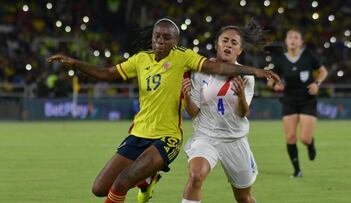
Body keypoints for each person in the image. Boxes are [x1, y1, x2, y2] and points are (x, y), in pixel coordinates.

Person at [47, 18, 279, 203]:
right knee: (99, 189)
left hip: (168, 137)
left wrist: (256, 72)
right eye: (157, 36)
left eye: (167, 37)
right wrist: (75, 63)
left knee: (122, 182)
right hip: (141, 133)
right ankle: (147, 181)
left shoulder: (184, 58)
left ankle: (144, 178)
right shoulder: (140, 60)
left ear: (175, 41)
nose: (160, 41)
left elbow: (217, 67)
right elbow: (108, 74)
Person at [180, 20, 263, 203]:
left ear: (240, 50)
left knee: (244, 197)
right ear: (217, 44)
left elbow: (242, 113)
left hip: (234, 139)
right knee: (195, 177)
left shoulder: (246, 75)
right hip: (206, 136)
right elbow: (194, 113)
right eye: (225, 40)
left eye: (234, 43)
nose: (228, 45)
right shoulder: (200, 71)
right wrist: (186, 96)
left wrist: (241, 95)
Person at [267, 29, 328, 178]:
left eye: (296, 37)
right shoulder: (280, 59)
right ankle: (297, 170)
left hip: (307, 100)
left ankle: (310, 143)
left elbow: (323, 72)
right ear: (286, 41)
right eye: (290, 37)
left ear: (301, 42)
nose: (293, 40)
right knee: (290, 138)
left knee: (305, 138)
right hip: (289, 100)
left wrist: (317, 84)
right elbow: (270, 80)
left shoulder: (308, 56)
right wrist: (275, 86)